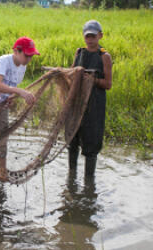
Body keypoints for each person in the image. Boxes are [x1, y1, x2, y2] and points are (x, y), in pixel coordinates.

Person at [0, 37, 38, 180]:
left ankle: (1, 172)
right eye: (26, 55)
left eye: (31, 56)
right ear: (16, 51)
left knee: (2, 138)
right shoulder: (4, 62)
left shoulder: (23, 66)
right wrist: (19, 91)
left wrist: (11, 96)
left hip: (2, 105)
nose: (29, 59)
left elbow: (10, 87)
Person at [68, 20, 112, 178]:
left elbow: (108, 84)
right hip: (76, 104)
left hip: (94, 106)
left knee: (91, 144)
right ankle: (71, 177)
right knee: (72, 141)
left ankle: (89, 181)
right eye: (87, 36)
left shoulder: (104, 56)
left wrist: (92, 80)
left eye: (93, 36)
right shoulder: (79, 52)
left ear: (100, 35)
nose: (90, 39)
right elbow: (72, 74)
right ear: (84, 36)